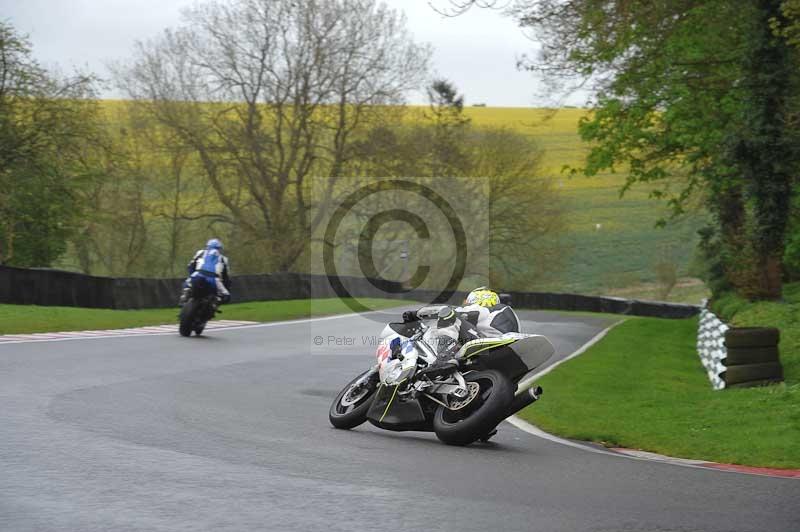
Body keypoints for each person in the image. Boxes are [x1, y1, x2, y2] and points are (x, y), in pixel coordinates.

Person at [178, 238, 231, 306]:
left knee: (187, 284)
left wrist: (191, 275)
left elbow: (191, 265)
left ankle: (184, 296)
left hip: (198, 274)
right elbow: (226, 277)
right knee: (227, 296)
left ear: (208, 246)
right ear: (219, 248)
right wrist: (227, 287)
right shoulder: (224, 259)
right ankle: (215, 304)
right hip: (214, 279)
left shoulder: (200, 252)